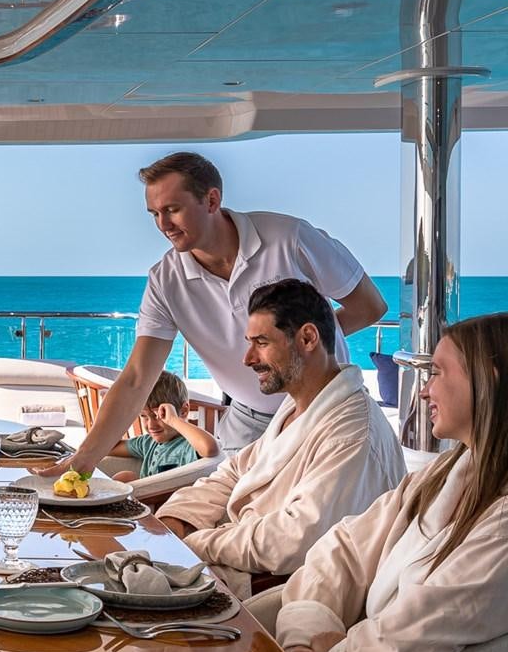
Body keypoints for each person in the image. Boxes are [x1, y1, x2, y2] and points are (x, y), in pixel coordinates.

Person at [273, 312, 508, 652]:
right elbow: (347, 545)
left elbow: (431, 623)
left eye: (437, 373)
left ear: (488, 379)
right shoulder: (447, 473)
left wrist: (340, 651)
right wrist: (306, 627)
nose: (423, 390)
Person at [40, 151, 387, 479]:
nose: (164, 225)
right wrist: (82, 460)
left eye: (172, 209)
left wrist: (297, 350)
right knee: (232, 521)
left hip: (324, 411)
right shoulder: (166, 281)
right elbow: (135, 380)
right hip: (247, 421)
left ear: (211, 200)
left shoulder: (290, 239)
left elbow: (370, 306)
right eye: (154, 214)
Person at [154, 279, 405, 596]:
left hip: (283, 589)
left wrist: (196, 543)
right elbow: (235, 471)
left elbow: (294, 541)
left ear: (308, 338)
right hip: (238, 555)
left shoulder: (352, 432)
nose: (247, 358)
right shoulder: (299, 404)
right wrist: (179, 519)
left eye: (261, 342)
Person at [110, 370, 219, 483]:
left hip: (170, 498)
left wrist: (173, 420)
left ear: (183, 411)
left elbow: (210, 448)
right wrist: (118, 413)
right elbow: (109, 448)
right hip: (145, 495)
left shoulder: (187, 446)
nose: (151, 425)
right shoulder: (147, 443)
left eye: (159, 415)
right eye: (143, 416)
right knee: (125, 477)